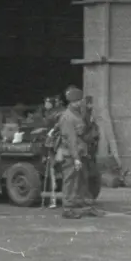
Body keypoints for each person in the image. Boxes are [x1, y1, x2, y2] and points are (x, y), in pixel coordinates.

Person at [56, 89, 91, 219]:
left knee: (80, 180)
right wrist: (76, 158)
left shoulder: (77, 114)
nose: (81, 102)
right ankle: (67, 208)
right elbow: (71, 140)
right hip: (70, 155)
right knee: (70, 181)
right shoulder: (68, 117)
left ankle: (81, 206)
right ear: (73, 102)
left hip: (79, 153)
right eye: (78, 100)